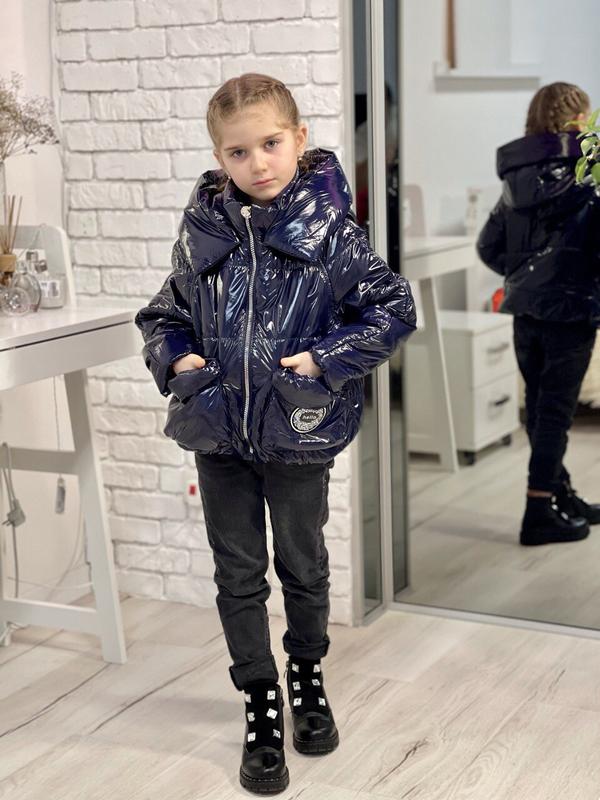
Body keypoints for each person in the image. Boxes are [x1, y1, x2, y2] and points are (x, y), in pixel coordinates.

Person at [135, 73, 416, 795]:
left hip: (297, 428)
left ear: (298, 139)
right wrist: (179, 359)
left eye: (269, 144)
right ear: (219, 158)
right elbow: (163, 315)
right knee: (237, 572)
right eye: (238, 152)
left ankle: (307, 674)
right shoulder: (202, 234)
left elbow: (392, 310)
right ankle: (260, 698)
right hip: (218, 433)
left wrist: (324, 359)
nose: (257, 162)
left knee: (302, 563)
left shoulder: (332, 233)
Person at [477, 81, 600, 547]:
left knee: (541, 408)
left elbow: (488, 246)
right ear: (577, 121)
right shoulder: (590, 180)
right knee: (555, 413)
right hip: (571, 312)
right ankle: (538, 510)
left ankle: (560, 495)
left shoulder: (515, 185)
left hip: (526, 312)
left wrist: (528, 279)